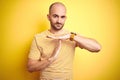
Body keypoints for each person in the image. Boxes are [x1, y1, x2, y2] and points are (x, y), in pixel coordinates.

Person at [27, 2, 101, 80]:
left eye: (62, 17)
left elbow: (97, 47)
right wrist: (51, 59)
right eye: (55, 16)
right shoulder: (38, 38)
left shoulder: (72, 36)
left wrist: (71, 36)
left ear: (65, 18)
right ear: (48, 17)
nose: (59, 21)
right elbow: (30, 67)